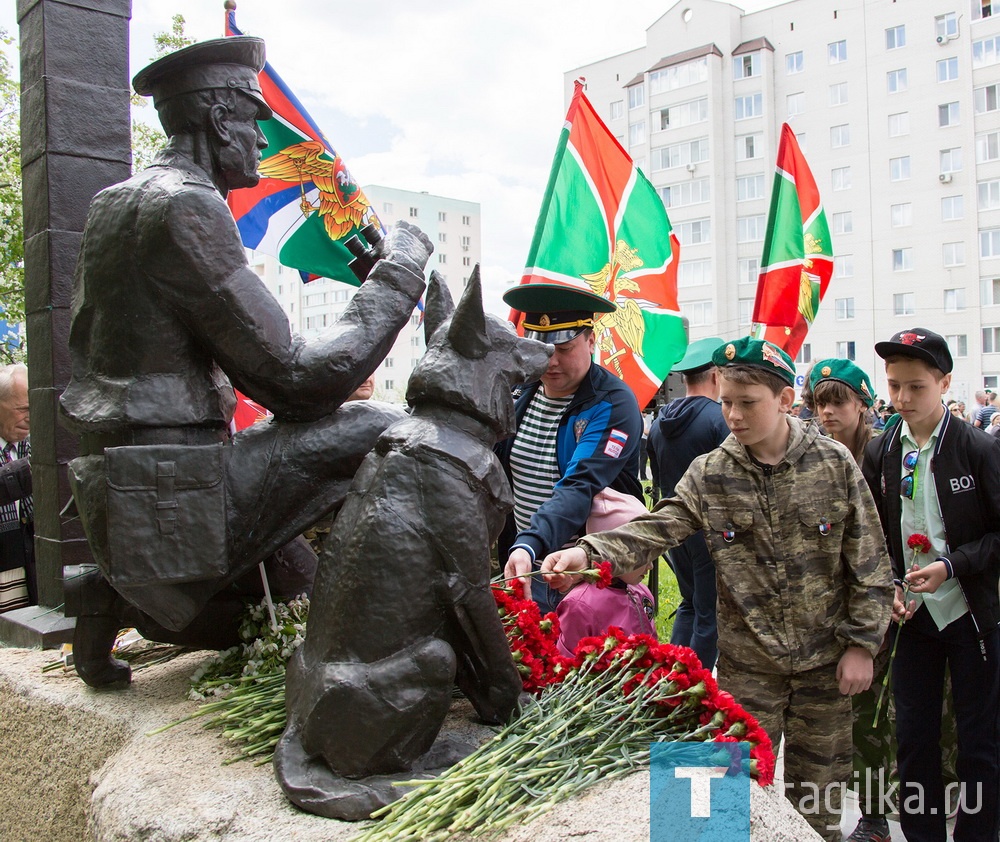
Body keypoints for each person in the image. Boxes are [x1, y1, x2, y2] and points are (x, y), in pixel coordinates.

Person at [58, 37, 431, 686]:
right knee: (380, 428)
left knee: (294, 595)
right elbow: (297, 382)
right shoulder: (187, 205)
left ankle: (113, 594)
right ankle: (412, 603)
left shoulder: (111, 203)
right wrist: (398, 276)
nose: (263, 142)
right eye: (254, 121)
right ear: (216, 117)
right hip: (180, 478)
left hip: (121, 473)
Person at [541, 336, 893, 841]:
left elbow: (870, 564)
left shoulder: (833, 464)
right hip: (748, 671)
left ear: (785, 401)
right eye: (726, 401)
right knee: (714, 814)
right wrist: (588, 554)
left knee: (815, 815)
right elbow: (658, 527)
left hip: (825, 671)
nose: (732, 415)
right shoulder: (711, 473)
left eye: (747, 403)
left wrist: (862, 645)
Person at [861, 328, 1000, 842]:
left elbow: (996, 536)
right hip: (911, 618)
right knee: (913, 738)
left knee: (978, 740)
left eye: (916, 387)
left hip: (969, 614)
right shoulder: (880, 451)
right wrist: (888, 585)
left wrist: (954, 565)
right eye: (894, 386)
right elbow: (872, 534)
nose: (902, 399)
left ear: (944, 383)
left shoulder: (978, 449)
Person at [497, 283, 643, 614]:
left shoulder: (613, 404)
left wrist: (530, 544)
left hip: (583, 575)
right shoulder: (521, 392)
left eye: (564, 348)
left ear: (591, 340)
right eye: (542, 348)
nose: (551, 362)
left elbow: (579, 485)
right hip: (524, 562)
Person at [811, 360, 892, 842]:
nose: (827, 413)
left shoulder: (882, 459)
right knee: (832, 722)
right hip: (823, 609)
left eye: (838, 402)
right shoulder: (813, 458)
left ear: (862, 404)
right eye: (820, 403)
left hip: (874, 607)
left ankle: (876, 815)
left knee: (872, 719)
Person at [646, 337, 728, 669]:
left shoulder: (659, 423)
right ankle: (695, 688)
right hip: (709, 529)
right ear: (716, 376)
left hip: (672, 525)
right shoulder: (719, 420)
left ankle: (670, 679)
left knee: (689, 603)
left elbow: (655, 474)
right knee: (710, 611)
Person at [554, 488, 654, 658]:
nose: (650, 566)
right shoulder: (580, 606)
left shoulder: (642, 593)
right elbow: (567, 665)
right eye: (642, 557)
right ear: (612, 552)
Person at [0, 363, 34, 612]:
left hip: (28, 568)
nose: (31, 418)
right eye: (23, 409)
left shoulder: (30, 442)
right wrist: (33, 469)